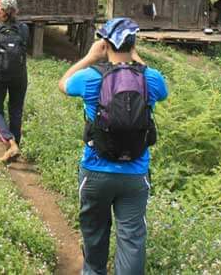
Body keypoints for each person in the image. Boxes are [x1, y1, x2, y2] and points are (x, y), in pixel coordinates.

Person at [58, 18, 168, 275]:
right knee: (131, 239)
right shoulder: (152, 78)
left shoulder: (90, 77)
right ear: (133, 43)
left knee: (94, 233)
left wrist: (89, 57)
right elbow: (161, 93)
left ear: (105, 44)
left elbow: (63, 84)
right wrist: (134, 55)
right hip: (135, 174)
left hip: (96, 171)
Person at [0, 0, 30, 163]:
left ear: (0, 11)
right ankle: (15, 147)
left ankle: (11, 143)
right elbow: (26, 48)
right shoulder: (24, 29)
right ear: (16, 11)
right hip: (20, 75)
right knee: (16, 111)